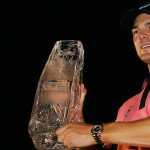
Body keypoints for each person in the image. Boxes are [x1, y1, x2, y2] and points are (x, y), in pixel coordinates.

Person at [56, 2, 150, 150]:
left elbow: (97, 133)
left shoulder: (103, 131)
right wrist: (79, 129)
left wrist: (93, 132)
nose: (142, 35)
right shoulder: (127, 107)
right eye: (135, 31)